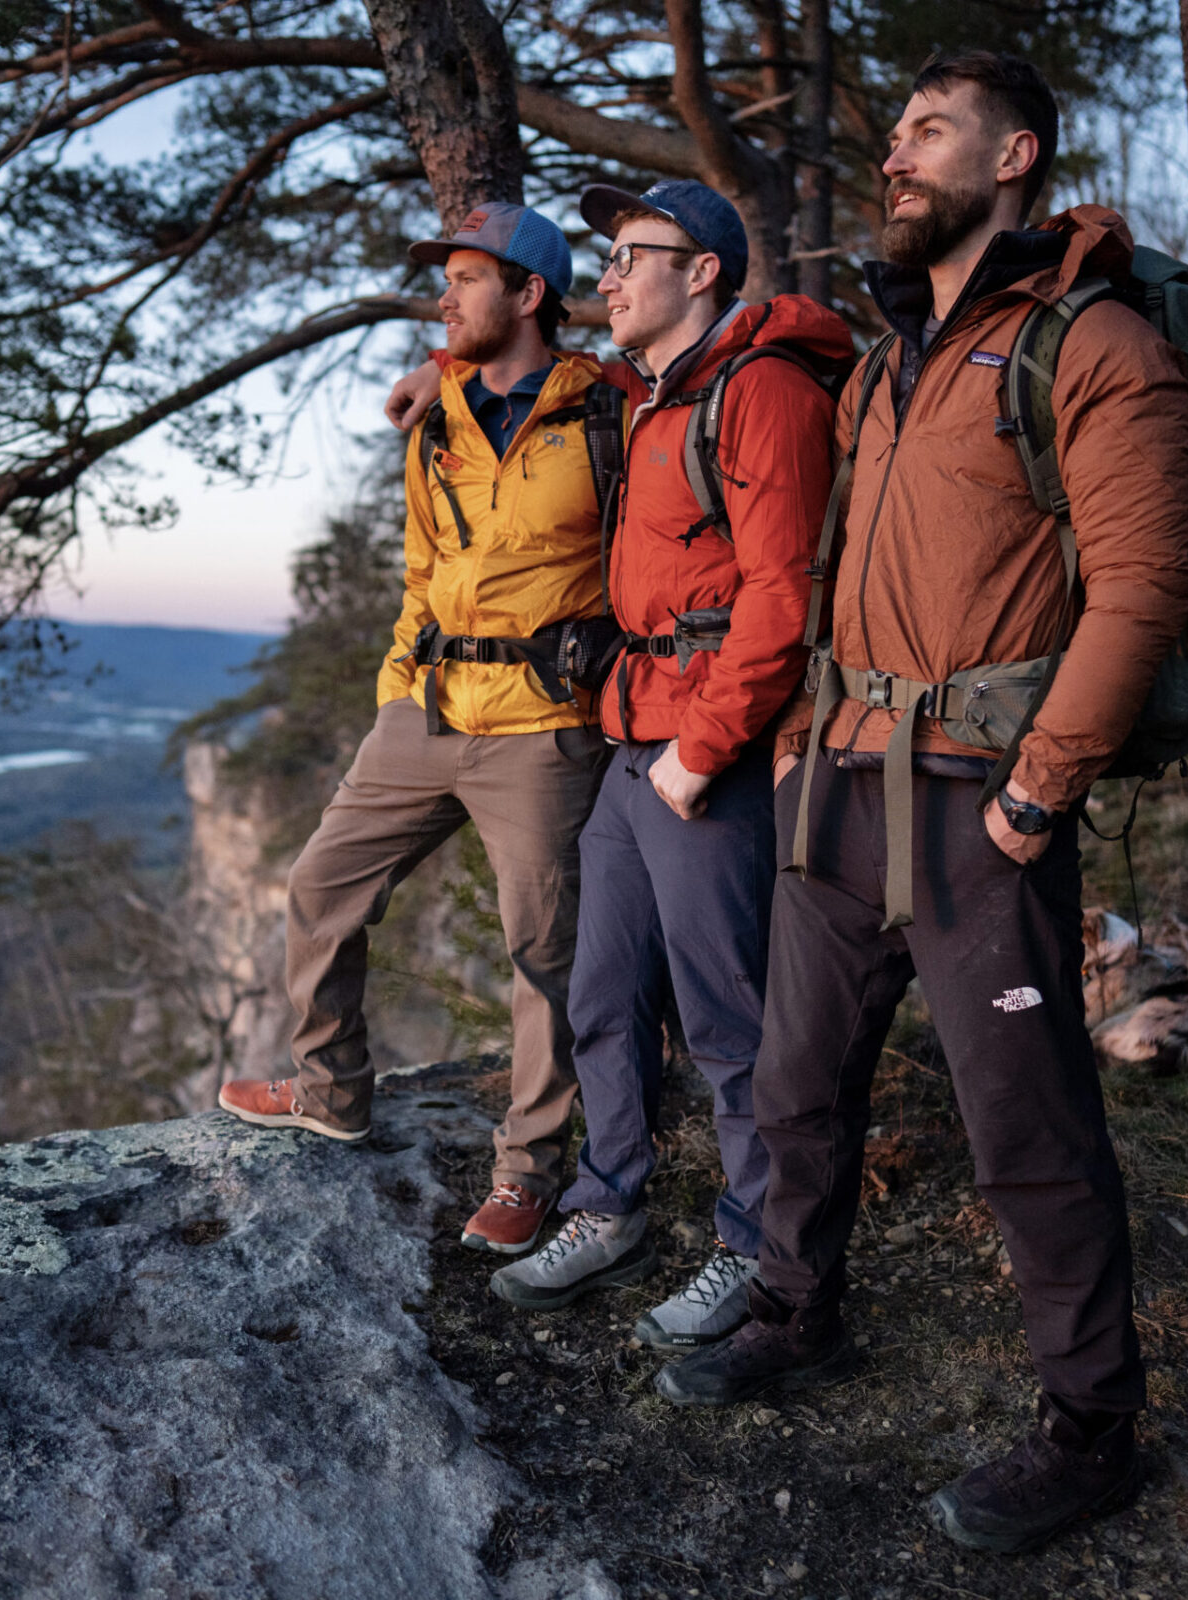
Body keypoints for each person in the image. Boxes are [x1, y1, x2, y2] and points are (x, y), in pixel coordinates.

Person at [648, 51, 1188, 1558]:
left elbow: (1142, 589)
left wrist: (1038, 792)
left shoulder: (1093, 347)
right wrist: (801, 735)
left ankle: (1093, 1430)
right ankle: (794, 1312)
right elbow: (834, 572)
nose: (896, 156)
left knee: (1026, 1126)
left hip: (978, 804)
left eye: (929, 132)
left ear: (1015, 156)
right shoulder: (893, 360)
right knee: (795, 1083)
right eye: (891, 134)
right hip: (838, 788)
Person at [392, 181, 844, 1344]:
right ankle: (609, 1201)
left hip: (705, 745)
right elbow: (511, 391)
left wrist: (702, 751)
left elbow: (779, 595)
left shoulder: (764, 392)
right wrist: (435, 381)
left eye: (631, 254)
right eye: (603, 254)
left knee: (725, 1015)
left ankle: (754, 1244)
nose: (607, 275)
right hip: (628, 733)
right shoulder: (644, 397)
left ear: (701, 271)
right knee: (601, 992)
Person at [217, 203, 616, 1254]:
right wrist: (399, 686)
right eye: (444, 278)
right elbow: (422, 570)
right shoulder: (437, 418)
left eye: (469, 278)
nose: (445, 293)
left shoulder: (606, 414)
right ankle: (332, 1090)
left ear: (531, 296)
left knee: (545, 954)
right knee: (319, 886)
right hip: (429, 709)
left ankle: (529, 1170)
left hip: (543, 726)